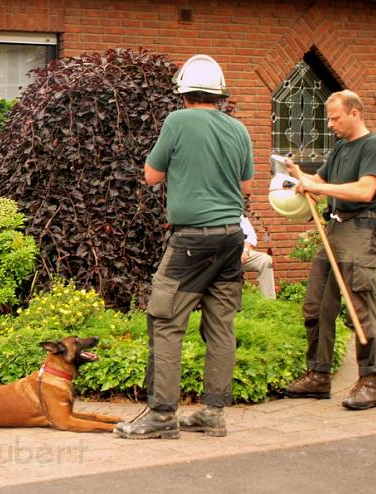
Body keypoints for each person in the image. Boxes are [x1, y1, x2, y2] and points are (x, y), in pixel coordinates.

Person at [114, 54, 253, 439]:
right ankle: (213, 414)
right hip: (230, 238)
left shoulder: (177, 121)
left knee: (165, 320)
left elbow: (151, 176)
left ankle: (160, 416)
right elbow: (244, 188)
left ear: (184, 94)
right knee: (221, 326)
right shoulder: (239, 129)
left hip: (192, 240)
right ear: (219, 95)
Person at [283, 89, 376, 410]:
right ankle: (318, 377)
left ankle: (370, 382)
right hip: (334, 229)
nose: (330, 124)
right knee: (316, 307)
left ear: (355, 113)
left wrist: (316, 186)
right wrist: (297, 176)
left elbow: (364, 190)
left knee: (360, 309)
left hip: (361, 230)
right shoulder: (341, 147)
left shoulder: (375, 147)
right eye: (329, 118)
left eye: (335, 117)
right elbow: (317, 182)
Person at [240, 214, 276, 299]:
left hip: (239, 254)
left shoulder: (236, 213)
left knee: (265, 260)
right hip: (214, 256)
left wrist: (245, 250)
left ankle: (269, 303)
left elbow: (251, 236)